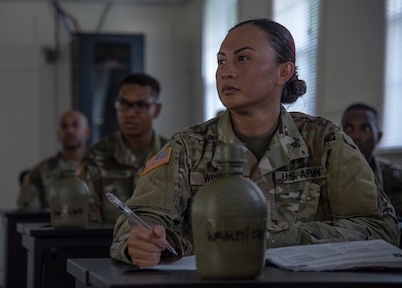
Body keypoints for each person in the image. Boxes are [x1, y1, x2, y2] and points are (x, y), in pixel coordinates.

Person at [109, 18, 400, 267]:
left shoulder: (325, 142)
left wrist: (275, 240)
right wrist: (142, 241)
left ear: (283, 72)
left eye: (242, 58)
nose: (226, 71)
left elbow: (379, 229)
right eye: (221, 60)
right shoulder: (188, 148)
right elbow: (139, 218)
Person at [79, 73, 168, 224]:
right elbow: (90, 225)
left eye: (140, 105)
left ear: (156, 110)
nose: (129, 113)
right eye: (124, 104)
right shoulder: (95, 157)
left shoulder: (172, 155)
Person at [17, 110, 91, 209]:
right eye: (64, 126)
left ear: (87, 132)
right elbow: (27, 213)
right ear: (59, 134)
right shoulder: (40, 172)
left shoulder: (100, 168)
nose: (70, 130)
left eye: (75, 125)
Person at [342, 103, 402, 219]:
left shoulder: (397, 178)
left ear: (378, 137)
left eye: (365, 128)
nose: (356, 136)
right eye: (349, 128)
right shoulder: (325, 176)